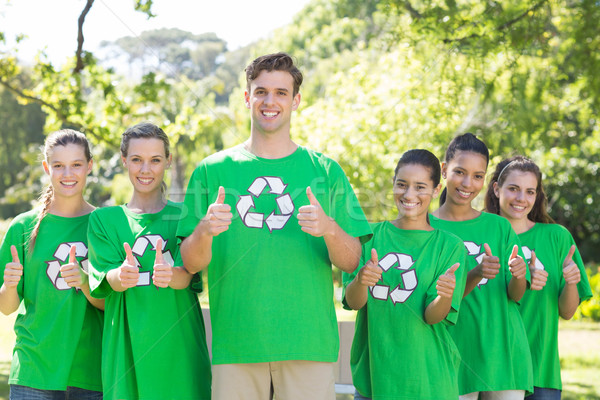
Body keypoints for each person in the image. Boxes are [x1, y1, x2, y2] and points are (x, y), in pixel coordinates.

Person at [177, 52, 372, 400]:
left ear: (296, 101)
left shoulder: (326, 171)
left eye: (281, 92)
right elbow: (189, 264)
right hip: (236, 345)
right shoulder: (211, 171)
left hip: (307, 344)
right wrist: (204, 230)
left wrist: (328, 228)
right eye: (261, 91)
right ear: (247, 97)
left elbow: (354, 261)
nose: (270, 101)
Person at [87, 122, 211, 400]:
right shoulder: (104, 221)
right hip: (126, 356)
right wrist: (122, 275)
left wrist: (170, 273)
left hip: (181, 355)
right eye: (136, 160)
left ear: (167, 161)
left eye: (155, 160)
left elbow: (187, 276)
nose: (146, 169)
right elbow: (106, 280)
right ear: (124, 161)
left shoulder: (185, 216)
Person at [343, 149, 467, 400]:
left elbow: (433, 317)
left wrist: (445, 296)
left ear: (435, 190)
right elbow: (353, 302)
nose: (409, 194)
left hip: (429, 383)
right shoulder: (369, 237)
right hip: (374, 382)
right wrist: (361, 280)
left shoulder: (450, 246)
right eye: (402, 185)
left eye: (420, 187)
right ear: (393, 185)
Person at [0, 129, 103, 399]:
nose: (67, 174)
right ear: (47, 168)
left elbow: (110, 301)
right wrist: (10, 286)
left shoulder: (105, 225)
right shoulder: (23, 226)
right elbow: (7, 307)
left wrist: (83, 280)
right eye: (58, 166)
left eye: (76, 165)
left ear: (89, 166)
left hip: (90, 371)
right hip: (34, 370)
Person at [430, 133, 533, 400]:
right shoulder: (427, 228)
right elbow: (432, 301)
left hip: (503, 353)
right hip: (452, 352)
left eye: (478, 176)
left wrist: (519, 275)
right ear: (443, 170)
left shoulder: (499, 226)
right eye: (460, 172)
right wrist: (476, 272)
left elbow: (516, 295)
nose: (468, 183)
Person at [485, 155, 592, 400]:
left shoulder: (557, 237)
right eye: (513, 189)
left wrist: (572, 282)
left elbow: (567, 312)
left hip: (541, 370)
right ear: (496, 188)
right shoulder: (482, 237)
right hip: (493, 369)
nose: (521, 199)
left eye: (530, 191)